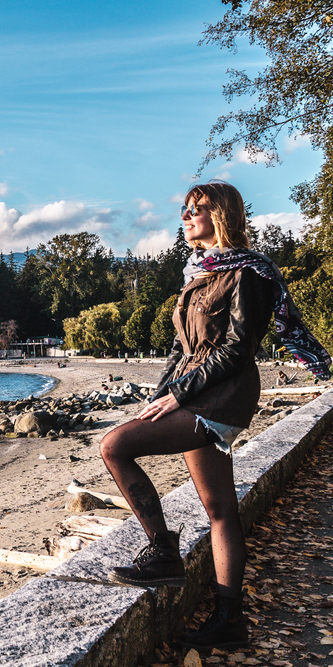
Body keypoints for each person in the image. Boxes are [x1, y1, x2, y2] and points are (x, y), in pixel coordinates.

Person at [99, 182, 331, 651]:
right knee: (220, 510)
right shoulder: (199, 274)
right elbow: (180, 347)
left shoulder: (247, 273)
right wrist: (162, 393)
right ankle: (231, 619)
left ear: (220, 214)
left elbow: (236, 350)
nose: (185, 217)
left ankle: (164, 553)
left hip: (221, 396)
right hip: (195, 394)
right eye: (184, 210)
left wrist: (180, 396)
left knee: (115, 446)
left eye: (195, 210)